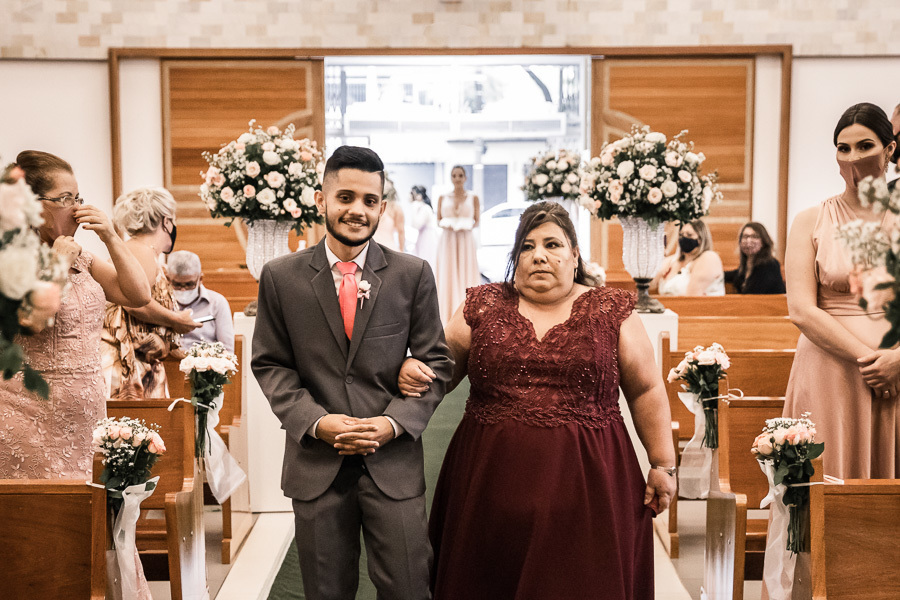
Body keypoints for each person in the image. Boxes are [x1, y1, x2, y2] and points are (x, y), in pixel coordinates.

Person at [400, 201, 677, 599]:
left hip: (592, 490)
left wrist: (663, 464)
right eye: (527, 247)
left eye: (552, 244)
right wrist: (414, 369)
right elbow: (439, 370)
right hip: (488, 487)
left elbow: (647, 389)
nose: (539, 256)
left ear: (575, 254)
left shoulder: (611, 311)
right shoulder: (483, 305)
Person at [251, 145, 453, 600]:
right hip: (317, 464)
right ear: (321, 200)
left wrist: (392, 422)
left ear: (381, 207)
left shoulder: (411, 274)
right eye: (345, 197)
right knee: (326, 591)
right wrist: (318, 423)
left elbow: (437, 363)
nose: (357, 210)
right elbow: (270, 363)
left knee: (407, 587)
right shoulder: (281, 277)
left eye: (369, 200)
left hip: (393, 462)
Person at [0, 150, 151, 479]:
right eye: (66, 198)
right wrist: (57, 265)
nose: (79, 209)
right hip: (26, 413)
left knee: (88, 517)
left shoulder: (81, 256)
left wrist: (110, 236)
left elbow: (139, 294)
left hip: (86, 415)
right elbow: (31, 320)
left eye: (78, 196)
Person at [783, 102, 899, 479]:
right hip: (830, 371)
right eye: (843, 148)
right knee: (826, 479)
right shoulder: (809, 220)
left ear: (890, 149)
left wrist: (896, 362)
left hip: (897, 374)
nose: (853, 157)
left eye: (865, 146)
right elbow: (801, 310)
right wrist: (873, 361)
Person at [101, 187, 200, 400]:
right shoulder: (141, 250)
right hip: (129, 365)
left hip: (140, 360)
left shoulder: (138, 250)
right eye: (173, 220)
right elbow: (135, 302)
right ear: (166, 221)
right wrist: (176, 320)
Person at [435, 165, 481, 323]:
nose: (457, 178)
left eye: (460, 175)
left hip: (465, 240)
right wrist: (448, 223)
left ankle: (467, 311)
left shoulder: (473, 197)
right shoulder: (443, 197)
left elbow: (477, 220)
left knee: (465, 271)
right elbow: (438, 220)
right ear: (451, 177)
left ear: (465, 178)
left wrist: (464, 224)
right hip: (448, 240)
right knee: (448, 272)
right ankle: (446, 312)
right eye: (454, 175)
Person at [167, 250, 235, 353]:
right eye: (177, 284)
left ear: (200, 279)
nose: (183, 290)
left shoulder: (217, 303)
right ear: (168, 279)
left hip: (205, 364)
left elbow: (227, 350)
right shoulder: (161, 302)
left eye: (189, 284)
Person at [653, 219, 725, 296]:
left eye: (689, 235)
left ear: (700, 239)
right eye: (681, 235)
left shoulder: (709, 258)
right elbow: (649, 284)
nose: (684, 238)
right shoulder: (671, 261)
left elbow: (692, 296)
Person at [724, 222, 786, 294]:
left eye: (754, 236)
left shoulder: (771, 265)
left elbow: (753, 292)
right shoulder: (746, 267)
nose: (748, 241)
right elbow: (733, 275)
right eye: (745, 236)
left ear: (764, 241)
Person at [407, 185, 438, 270]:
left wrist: (414, 207)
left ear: (419, 196)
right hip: (423, 237)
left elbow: (416, 224)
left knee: (426, 259)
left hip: (427, 238)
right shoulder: (422, 208)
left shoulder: (425, 208)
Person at [372, 175, 406, 251]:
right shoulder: (370, 205)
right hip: (370, 250)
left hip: (389, 249)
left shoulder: (395, 208)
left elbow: (401, 232)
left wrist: (401, 251)